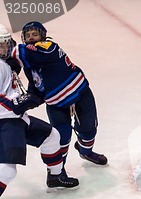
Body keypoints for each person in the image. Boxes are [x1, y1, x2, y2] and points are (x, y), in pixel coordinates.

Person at [11, 21, 107, 166]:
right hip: (56, 104)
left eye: (35, 34)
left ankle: (85, 152)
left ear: (43, 36)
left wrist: (7, 47)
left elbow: (23, 53)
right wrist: (29, 99)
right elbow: (38, 86)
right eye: (28, 35)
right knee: (61, 136)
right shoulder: (30, 64)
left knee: (88, 129)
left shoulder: (48, 47)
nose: (31, 37)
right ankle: (59, 170)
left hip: (80, 94)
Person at [0, 24, 78, 197]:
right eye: (0, 45)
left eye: (4, 43)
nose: (4, 47)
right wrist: (17, 104)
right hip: (5, 121)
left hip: (15, 118)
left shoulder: (4, 62)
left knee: (51, 136)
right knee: (7, 170)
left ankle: (56, 177)